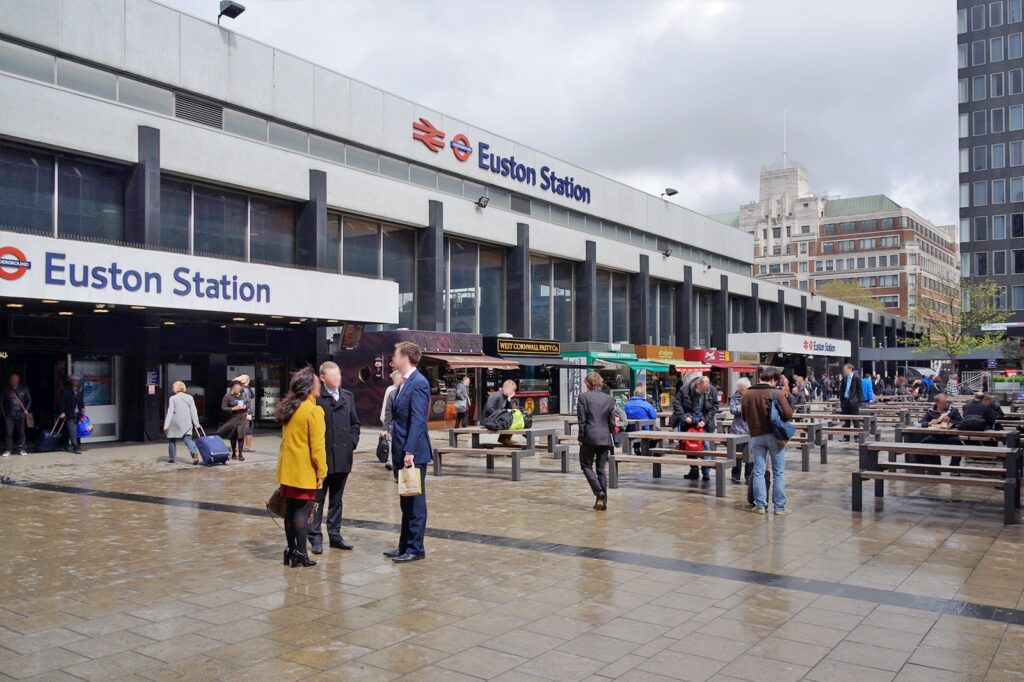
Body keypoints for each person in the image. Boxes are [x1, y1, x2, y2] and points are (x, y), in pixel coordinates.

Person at [274, 367, 327, 568]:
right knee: (302, 513)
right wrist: (322, 471)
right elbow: (317, 447)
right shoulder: (314, 411)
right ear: (308, 387)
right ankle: (302, 553)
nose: (319, 384)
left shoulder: (291, 408)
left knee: (290, 511)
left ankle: (290, 549)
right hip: (305, 470)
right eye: (316, 381)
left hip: (287, 470)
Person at [385, 341, 432, 564]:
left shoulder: (419, 383)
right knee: (406, 502)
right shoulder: (404, 383)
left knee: (416, 503)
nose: (392, 359)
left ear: (406, 357)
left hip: (413, 453)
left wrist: (410, 450)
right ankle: (404, 545)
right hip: (401, 451)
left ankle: (416, 548)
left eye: (395, 355)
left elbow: (418, 420)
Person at [306, 361, 360, 554]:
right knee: (317, 500)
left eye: (339, 375)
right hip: (323, 460)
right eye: (334, 375)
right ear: (322, 378)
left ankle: (335, 536)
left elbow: (355, 424)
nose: (338, 378)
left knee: (337, 501)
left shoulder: (348, 396)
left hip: (343, 458)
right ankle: (315, 538)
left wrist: (352, 444)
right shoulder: (316, 398)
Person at [741, 366, 794, 515]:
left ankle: (760, 505)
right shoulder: (776, 393)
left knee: (758, 471)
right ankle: (779, 507)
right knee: (778, 472)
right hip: (774, 436)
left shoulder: (747, 393)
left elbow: (744, 417)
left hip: (756, 436)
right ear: (773, 380)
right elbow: (789, 414)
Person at [577, 372, 616, 511]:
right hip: (604, 437)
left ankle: (598, 491)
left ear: (588, 383)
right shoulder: (609, 399)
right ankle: (602, 501)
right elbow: (612, 422)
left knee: (586, 465)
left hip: (589, 436)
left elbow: (581, 421)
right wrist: (614, 438)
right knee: (601, 469)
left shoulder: (583, 397)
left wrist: (581, 438)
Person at [674, 375, 717, 480]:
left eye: (706, 389)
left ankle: (706, 471)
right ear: (698, 384)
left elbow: (715, 406)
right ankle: (694, 470)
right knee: (690, 445)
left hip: (704, 422)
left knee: (706, 446)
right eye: (703, 389)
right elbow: (676, 403)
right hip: (688, 422)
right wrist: (684, 417)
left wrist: (705, 421)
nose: (705, 391)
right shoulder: (685, 389)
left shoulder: (711, 390)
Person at [916, 393, 964, 466]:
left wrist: (950, 421)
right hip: (935, 436)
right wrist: (929, 423)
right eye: (944, 403)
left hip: (951, 436)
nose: (947, 404)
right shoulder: (930, 411)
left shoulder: (953, 411)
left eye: (947, 402)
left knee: (959, 445)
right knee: (923, 445)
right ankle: (933, 466)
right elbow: (922, 422)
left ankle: (954, 467)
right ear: (937, 403)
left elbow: (961, 423)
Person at [163, 381, 200, 465]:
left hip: (175, 422)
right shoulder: (190, 397)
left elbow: (170, 411)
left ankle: (172, 458)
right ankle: (194, 453)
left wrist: (166, 424)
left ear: (175, 388)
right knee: (188, 439)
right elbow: (193, 411)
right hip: (187, 422)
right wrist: (196, 423)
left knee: (172, 440)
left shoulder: (172, 398)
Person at [2, 373, 32, 457]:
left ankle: (22, 449)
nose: (13, 381)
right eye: (12, 379)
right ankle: (8, 449)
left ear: (18, 380)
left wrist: (26, 409)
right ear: (10, 380)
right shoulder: (6, 390)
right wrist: (4, 414)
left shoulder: (24, 389)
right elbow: (1, 402)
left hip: (21, 414)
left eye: (15, 379)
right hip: (9, 414)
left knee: (21, 432)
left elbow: (29, 400)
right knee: (8, 432)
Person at [219, 380, 250, 461]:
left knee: (241, 436)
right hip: (232, 419)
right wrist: (233, 408)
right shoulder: (227, 396)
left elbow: (248, 403)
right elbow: (223, 407)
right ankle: (233, 453)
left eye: (239, 387)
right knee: (233, 437)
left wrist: (245, 407)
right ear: (232, 388)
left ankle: (240, 455)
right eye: (236, 387)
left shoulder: (244, 395)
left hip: (242, 419)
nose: (238, 389)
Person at [379, 370, 403, 471]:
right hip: (391, 421)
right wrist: (384, 422)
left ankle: (395, 461)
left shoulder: (405, 389)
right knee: (389, 441)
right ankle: (389, 461)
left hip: (399, 422)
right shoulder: (390, 390)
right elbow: (386, 406)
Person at [729, 378, 751, 483]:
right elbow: (732, 410)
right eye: (739, 389)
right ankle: (735, 475)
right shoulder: (735, 396)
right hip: (737, 429)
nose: (740, 392)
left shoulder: (752, 396)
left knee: (750, 454)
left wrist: (740, 407)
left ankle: (749, 475)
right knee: (736, 454)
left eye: (742, 390)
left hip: (749, 429)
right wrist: (743, 407)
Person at [624, 387, 658, 455]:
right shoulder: (646, 404)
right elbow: (654, 416)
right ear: (643, 394)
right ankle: (650, 449)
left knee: (637, 428)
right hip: (646, 428)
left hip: (632, 429)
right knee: (658, 432)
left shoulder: (627, 404)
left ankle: (636, 447)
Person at [483, 379, 517, 446]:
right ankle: (504, 439)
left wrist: (509, 399)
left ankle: (506, 439)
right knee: (508, 420)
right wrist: (501, 415)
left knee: (512, 417)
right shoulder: (496, 395)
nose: (513, 393)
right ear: (507, 388)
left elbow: (509, 410)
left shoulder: (505, 397)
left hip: (495, 419)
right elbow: (489, 409)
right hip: (488, 420)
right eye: (512, 390)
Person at [57, 376, 85, 454]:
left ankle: (75, 444)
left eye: (77, 381)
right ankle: (75, 447)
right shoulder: (66, 391)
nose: (76, 382)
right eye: (74, 381)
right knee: (72, 431)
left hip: (78, 413)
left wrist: (82, 407)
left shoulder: (80, 389)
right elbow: (62, 402)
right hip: (69, 413)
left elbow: (81, 400)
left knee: (77, 430)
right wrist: (62, 412)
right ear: (71, 381)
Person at [838, 363, 863, 438]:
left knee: (856, 421)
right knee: (846, 421)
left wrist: (858, 402)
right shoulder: (844, 378)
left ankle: (857, 437)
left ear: (850, 369)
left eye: (845, 369)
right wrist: (842, 401)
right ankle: (846, 437)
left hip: (853, 402)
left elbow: (860, 390)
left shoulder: (856, 377)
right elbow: (842, 390)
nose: (844, 371)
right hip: (845, 402)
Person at [236, 374, 256, 453]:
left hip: (240, 411)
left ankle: (237, 447)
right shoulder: (245, 390)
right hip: (246, 411)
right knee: (249, 429)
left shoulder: (237, 388)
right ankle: (247, 447)